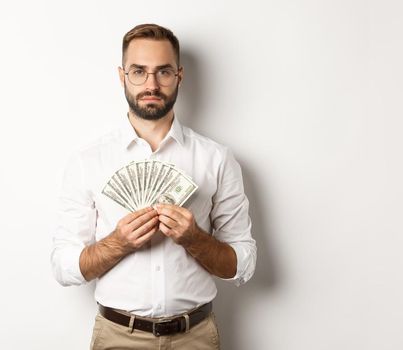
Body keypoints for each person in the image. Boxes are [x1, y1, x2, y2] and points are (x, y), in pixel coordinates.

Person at [50, 23, 257, 350]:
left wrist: (195, 239)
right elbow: (63, 266)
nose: (151, 84)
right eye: (138, 71)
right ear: (122, 76)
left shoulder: (217, 159)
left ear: (179, 75)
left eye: (163, 71)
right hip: (117, 337)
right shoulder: (87, 161)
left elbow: (242, 264)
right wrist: (117, 243)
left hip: (197, 337)